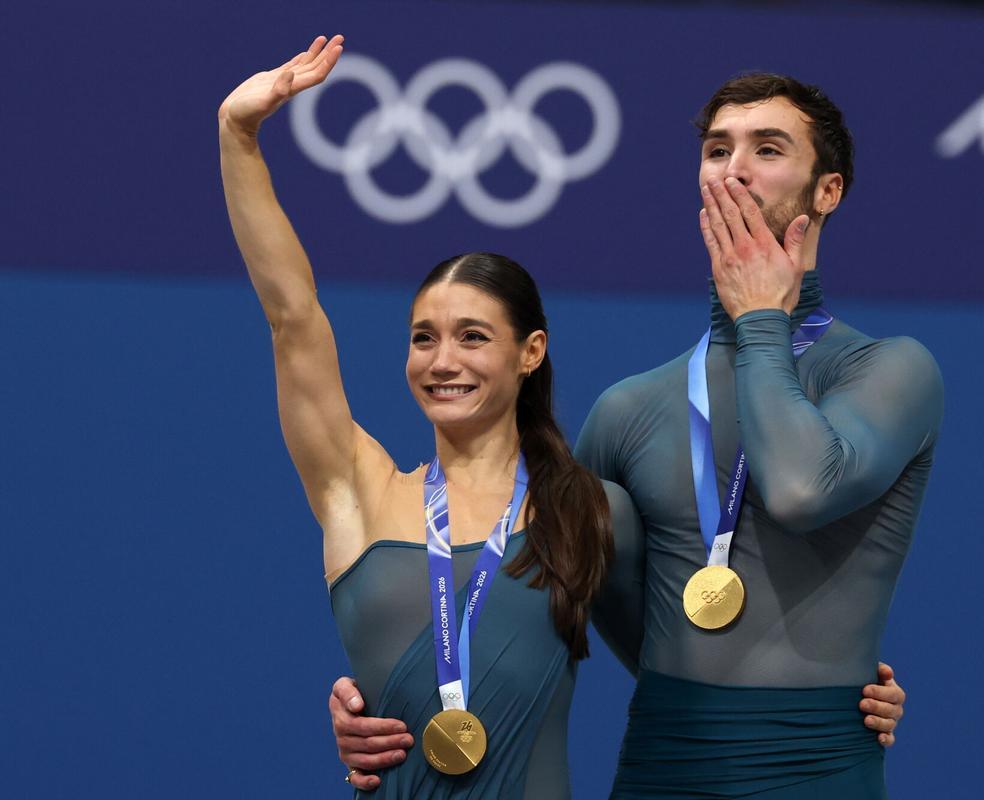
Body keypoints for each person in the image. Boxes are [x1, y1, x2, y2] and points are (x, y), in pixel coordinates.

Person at [333, 73, 931, 797]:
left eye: (766, 149)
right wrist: (381, 703)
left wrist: (760, 320)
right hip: (661, 769)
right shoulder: (630, 410)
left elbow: (802, 489)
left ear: (827, 191)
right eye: (717, 150)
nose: (734, 168)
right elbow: (531, 607)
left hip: (818, 768)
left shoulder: (889, 371)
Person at [220, 35, 645, 799]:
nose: (441, 361)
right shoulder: (357, 491)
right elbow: (293, 316)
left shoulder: (590, 510)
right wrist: (239, 137)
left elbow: (690, 668)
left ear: (530, 352)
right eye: (424, 338)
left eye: (472, 337)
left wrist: (851, 694)